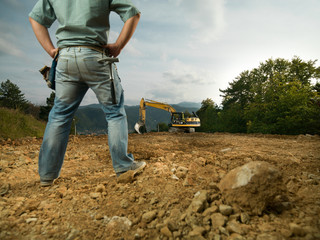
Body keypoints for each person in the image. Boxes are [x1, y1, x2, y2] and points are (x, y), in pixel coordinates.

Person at [29, 0, 146, 187]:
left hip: (65, 59)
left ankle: (47, 175)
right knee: (114, 113)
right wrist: (118, 46)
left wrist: (51, 50)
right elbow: (133, 14)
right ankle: (123, 167)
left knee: (59, 116)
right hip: (96, 56)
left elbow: (35, 19)